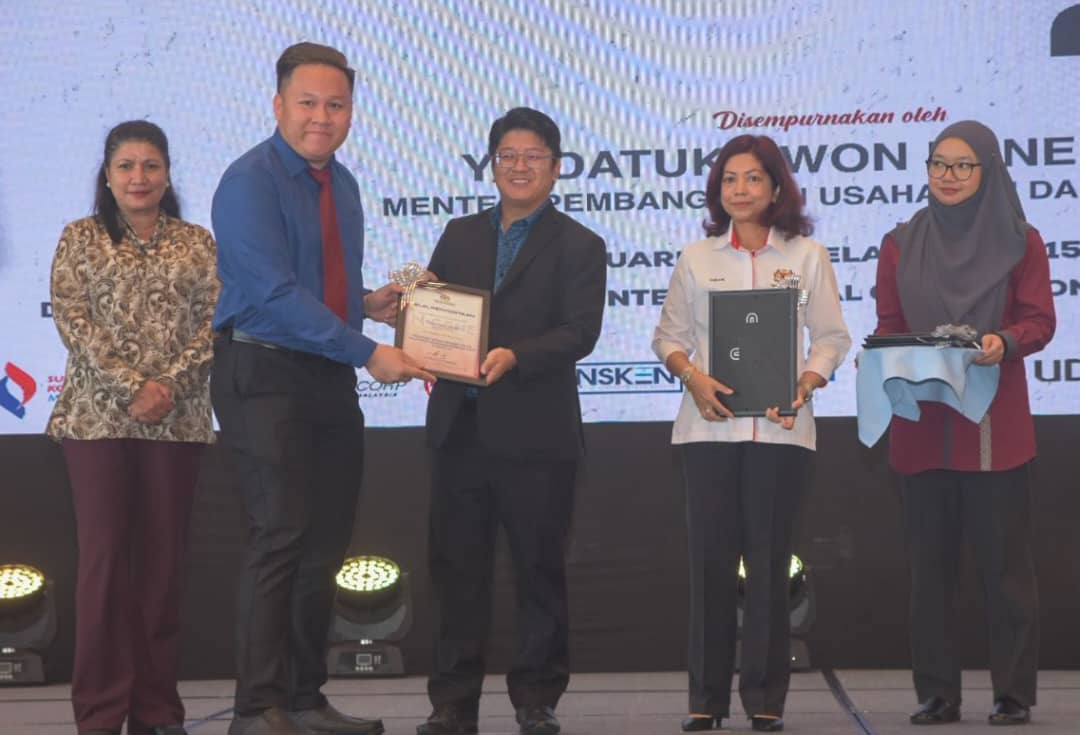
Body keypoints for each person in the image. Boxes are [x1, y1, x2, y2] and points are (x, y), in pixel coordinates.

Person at [210, 42, 433, 735]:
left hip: (325, 373)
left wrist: (368, 305)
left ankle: (304, 699)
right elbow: (272, 295)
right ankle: (257, 708)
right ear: (279, 105)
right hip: (263, 370)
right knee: (280, 535)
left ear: (351, 113)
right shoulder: (248, 182)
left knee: (324, 543)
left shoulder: (344, 184)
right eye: (308, 102)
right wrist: (368, 351)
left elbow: (315, 286)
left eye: (336, 105)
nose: (322, 117)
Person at [416, 107, 606, 735]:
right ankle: (452, 703)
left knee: (538, 572)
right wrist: (419, 335)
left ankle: (536, 699)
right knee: (455, 572)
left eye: (533, 156)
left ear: (556, 167)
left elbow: (580, 332)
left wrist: (517, 355)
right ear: (492, 164)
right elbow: (435, 311)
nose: (519, 167)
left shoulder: (581, 244)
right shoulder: (459, 234)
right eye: (508, 155)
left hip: (536, 436)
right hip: (459, 432)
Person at [652, 134, 851, 733]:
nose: (740, 189)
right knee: (710, 567)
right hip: (707, 433)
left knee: (768, 568)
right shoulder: (697, 258)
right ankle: (706, 700)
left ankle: (766, 699)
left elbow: (832, 337)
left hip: (782, 434)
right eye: (730, 179)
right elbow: (668, 338)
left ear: (776, 187)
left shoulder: (808, 255)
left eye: (753, 178)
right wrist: (692, 377)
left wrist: (807, 381)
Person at [873, 120, 1054, 727]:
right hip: (923, 425)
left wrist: (1005, 340)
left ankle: (1013, 694)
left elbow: (1040, 320)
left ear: (988, 172)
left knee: (1006, 571)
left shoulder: (1022, 242)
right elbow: (890, 322)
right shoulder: (899, 244)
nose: (948, 176)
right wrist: (887, 356)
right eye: (938, 164)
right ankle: (937, 693)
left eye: (962, 166)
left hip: (994, 431)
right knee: (930, 572)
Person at [48, 120, 218, 735]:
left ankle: (155, 711)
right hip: (96, 422)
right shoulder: (80, 237)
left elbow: (216, 323)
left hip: (176, 421)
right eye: (126, 166)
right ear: (107, 174)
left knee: (162, 568)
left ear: (168, 174)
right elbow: (73, 320)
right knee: (103, 567)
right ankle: (99, 714)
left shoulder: (197, 242)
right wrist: (132, 388)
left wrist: (166, 386)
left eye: (150, 165)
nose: (138, 177)